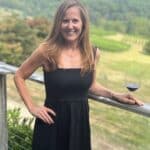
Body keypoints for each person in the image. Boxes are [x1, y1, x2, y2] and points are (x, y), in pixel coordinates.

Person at [14, 0, 143, 150]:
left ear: (83, 24)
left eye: (75, 21)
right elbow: (19, 75)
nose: (70, 26)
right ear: (58, 23)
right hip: (51, 124)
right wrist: (32, 107)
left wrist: (115, 95)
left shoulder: (92, 53)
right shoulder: (46, 51)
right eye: (65, 21)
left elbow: (91, 86)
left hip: (79, 125)